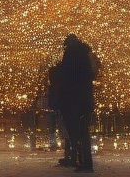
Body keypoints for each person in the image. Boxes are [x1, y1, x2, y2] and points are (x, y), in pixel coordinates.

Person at [56, 34, 97, 172]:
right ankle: (84, 162)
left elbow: (67, 78)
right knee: (82, 131)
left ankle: (83, 162)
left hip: (74, 99)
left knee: (77, 132)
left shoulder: (71, 55)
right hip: (84, 98)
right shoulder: (85, 56)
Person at [48, 58, 74, 166]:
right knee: (69, 134)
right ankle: (70, 156)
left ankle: (70, 156)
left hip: (63, 109)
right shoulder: (65, 81)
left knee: (68, 134)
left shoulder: (56, 84)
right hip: (67, 108)